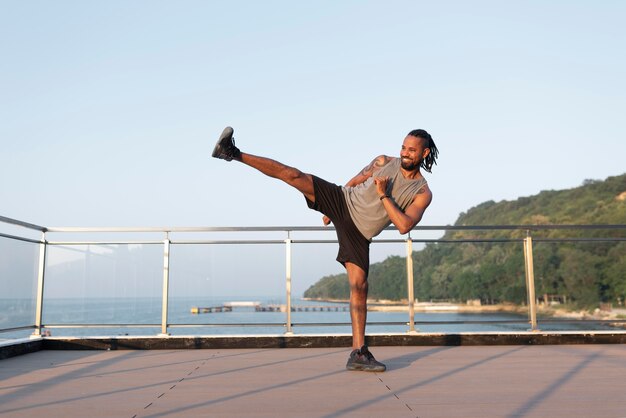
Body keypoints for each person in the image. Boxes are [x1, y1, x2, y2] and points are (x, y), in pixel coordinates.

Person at [212, 126, 438, 372]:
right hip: (341, 201)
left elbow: (404, 225)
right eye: (404, 147)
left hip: (359, 233)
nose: (405, 153)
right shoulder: (383, 162)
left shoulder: (422, 192)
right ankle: (232, 152)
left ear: (424, 153)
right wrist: (332, 211)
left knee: (359, 288)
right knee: (294, 175)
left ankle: (358, 353)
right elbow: (356, 180)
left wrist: (384, 195)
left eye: (411, 150)